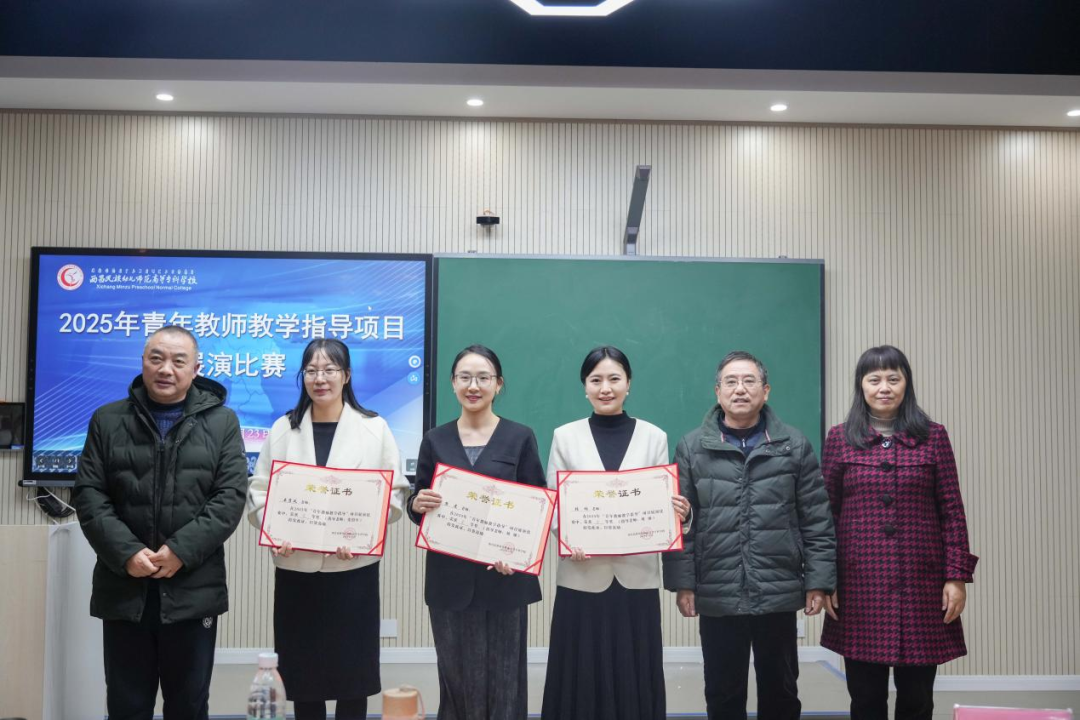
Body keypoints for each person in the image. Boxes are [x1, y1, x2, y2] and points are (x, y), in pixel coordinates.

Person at [73, 325, 248, 720]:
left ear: (196, 369)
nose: (166, 369)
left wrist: (179, 552)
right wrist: (127, 553)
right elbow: (89, 494)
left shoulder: (223, 422)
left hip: (192, 588)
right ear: (143, 363)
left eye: (178, 361)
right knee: (126, 705)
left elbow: (229, 498)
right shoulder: (107, 420)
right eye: (157, 358)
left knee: (188, 705)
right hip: (125, 588)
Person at [662, 350, 836, 720]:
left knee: (781, 692)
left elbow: (816, 520)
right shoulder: (692, 447)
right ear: (718, 391)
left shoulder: (794, 445)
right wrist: (683, 584)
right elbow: (681, 523)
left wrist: (818, 582)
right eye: (731, 382)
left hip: (777, 591)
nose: (740, 389)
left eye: (749, 381)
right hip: (717, 591)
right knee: (723, 693)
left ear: (765, 390)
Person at [247, 339, 409, 720]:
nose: (320, 379)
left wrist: (361, 533)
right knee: (302, 677)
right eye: (311, 371)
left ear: (346, 376)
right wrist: (275, 529)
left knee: (353, 676)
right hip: (296, 571)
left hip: (353, 572)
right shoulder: (283, 428)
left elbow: (394, 493)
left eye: (329, 370)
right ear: (302, 376)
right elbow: (259, 492)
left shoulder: (374, 428)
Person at [820, 345, 977, 720]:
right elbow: (825, 515)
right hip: (858, 587)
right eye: (874, 379)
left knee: (917, 700)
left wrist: (956, 577)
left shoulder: (933, 437)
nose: (884, 387)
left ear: (906, 384)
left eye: (893, 378)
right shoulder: (840, 439)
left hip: (921, 586)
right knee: (865, 700)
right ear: (861, 386)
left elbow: (952, 511)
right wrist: (825, 578)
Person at [541, 346, 690, 720]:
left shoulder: (654, 437)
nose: (605, 388)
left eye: (614, 379)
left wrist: (678, 514)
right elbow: (555, 504)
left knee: (632, 670)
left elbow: (662, 503)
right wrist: (568, 537)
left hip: (636, 576)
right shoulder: (565, 436)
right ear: (584, 386)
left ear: (628, 384)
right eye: (596, 380)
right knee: (580, 671)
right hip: (581, 574)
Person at [407, 344, 546, 720]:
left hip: (505, 578)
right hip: (449, 580)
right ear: (453, 383)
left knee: (504, 680)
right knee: (456, 680)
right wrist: (417, 504)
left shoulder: (520, 437)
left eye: (483, 378)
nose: (473, 386)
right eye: (465, 377)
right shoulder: (435, 439)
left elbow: (536, 505)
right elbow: (419, 504)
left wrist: (516, 554)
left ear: (498, 384)